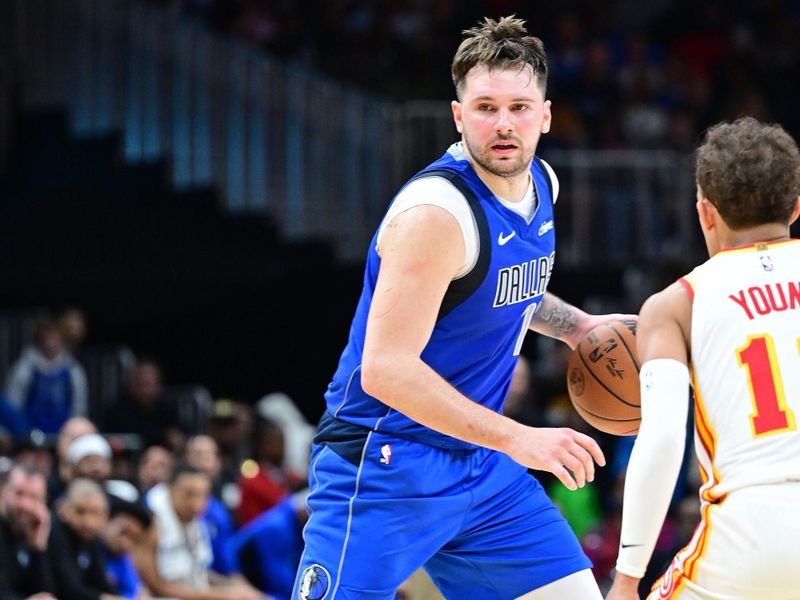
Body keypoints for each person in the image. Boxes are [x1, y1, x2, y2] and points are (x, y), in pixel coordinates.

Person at [295, 16, 624, 600]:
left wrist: (579, 327)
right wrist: (520, 439)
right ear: (457, 115)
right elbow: (386, 369)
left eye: (520, 107)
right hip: (385, 462)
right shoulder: (435, 215)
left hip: (480, 467)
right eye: (485, 107)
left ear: (545, 116)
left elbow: (503, 289)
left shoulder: (540, 181)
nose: (503, 124)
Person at [606, 116, 800, 599]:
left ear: (705, 213)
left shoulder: (677, 304)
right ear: (796, 208)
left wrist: (628, 577)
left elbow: (664, 439)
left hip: (755, 529)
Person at [136, 463, 264, 600]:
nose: (197, 504)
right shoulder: (150, 524)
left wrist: (233, 587)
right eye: (189, 494)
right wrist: (222, 595)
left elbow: (198, 572)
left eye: (203, 495)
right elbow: (156, 587)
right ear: (169, 489)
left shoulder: (197, 522)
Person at [4, 318, 88, 434]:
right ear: (40, 339)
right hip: (27, 436)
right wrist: (18, 432)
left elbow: (79, 408)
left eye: (55, 338)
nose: (51, 343)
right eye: (48, 338)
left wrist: (73, 431)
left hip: (63, 435)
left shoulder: (72, 369)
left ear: (62, 340)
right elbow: (12, 404)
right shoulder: (26, 367)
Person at [49, 478, 123, 600]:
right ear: (63, 508)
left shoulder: (91, 538)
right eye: (80, 511)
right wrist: (103, 598)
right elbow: (67, 588)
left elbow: (101, 582)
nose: (88, 522)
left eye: (95, 513)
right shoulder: (54, 531)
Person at [0, 463, 56, 599]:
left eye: (34, 497)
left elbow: (43, 592)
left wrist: (38, 549)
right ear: (2, 492)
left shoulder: (30, 531)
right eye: (19, 493)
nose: (24, 505)